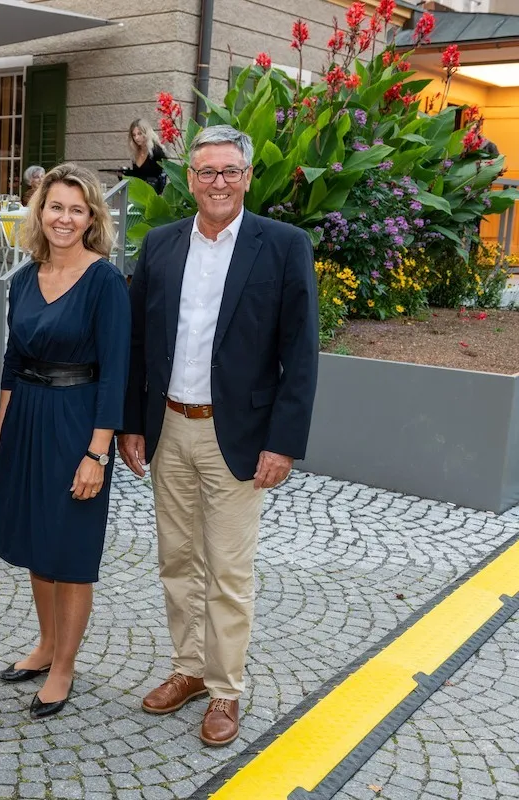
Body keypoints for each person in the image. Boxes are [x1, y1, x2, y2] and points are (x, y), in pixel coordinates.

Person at [118, 125, 319, 747]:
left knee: (229, 571)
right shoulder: (161, 244)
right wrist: (131, 423)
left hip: (238, 435)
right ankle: (188, 669)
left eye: (230, 170)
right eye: (206, 171)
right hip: (168, 426)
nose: (218, 182)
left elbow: (300, 353)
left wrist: (283, 442)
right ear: (191, 179)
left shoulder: (282, 246)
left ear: (248, 177)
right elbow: (137, 342)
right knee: (178, 561)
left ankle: (225, 689)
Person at [0, 163, 130, 719]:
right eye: (55, 207)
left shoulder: (105, 282)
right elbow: (11, 363)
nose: (64, 218)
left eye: (76, 209)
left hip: (76, 423)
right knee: (37, 543)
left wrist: (97, 453)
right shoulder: (24, 278)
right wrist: (0, 436)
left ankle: (64, 667)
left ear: (91, 218)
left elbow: (115, 374)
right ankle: (46, 645)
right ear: (39, 212)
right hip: (26, 418)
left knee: (69, 550)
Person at [121, 119, 167, 194]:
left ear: (146, 133)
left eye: (139, 134)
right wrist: (125, 174)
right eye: (134, 135)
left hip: (154, 195)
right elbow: (138, 175)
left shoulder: (157, 151)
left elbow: (163, 175)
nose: (136, 138)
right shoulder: (135, 152)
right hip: (139, 194)